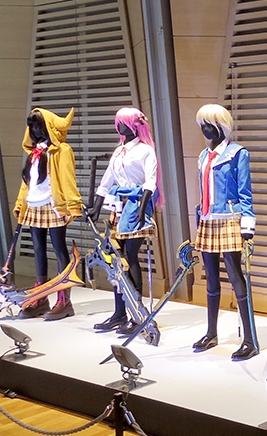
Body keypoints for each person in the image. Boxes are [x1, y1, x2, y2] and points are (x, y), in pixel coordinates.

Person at [192, 104, 259, 361]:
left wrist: (247, 225)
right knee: (210, 277)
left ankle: (249, 339)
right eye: (202, 125)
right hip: (208, 219)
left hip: (230, 218)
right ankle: (211, 333)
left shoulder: (237, 154)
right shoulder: (203, 156)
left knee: (235, 277)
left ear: (221, 126)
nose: (205, 130)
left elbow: (245, 191)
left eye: (209, 125)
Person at [88, 108, 162, 334]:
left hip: (136, 206)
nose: (119, 126)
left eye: (123, 122)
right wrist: (96, 208)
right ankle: (120, 313)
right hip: (118, 208)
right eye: (118, 122)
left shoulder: (146, 151)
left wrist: (142, 208)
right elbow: (106, 181)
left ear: (134, 125)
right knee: (115, 261)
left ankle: (137, 314)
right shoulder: (119, 151)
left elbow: (150, 182)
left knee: (130, 257)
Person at [13, 107, 83, 320]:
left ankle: (64, 300)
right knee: (38, 250)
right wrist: (20, 203)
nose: (34, 130)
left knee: (60, 250)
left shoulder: (62, 150)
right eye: (31, 127)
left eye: (38, 126)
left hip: (53, 206)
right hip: (34, 205)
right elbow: (28, 183)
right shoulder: (34, 153)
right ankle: (41, 297)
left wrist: (73, 205)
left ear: (47, 127)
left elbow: (68, 179)